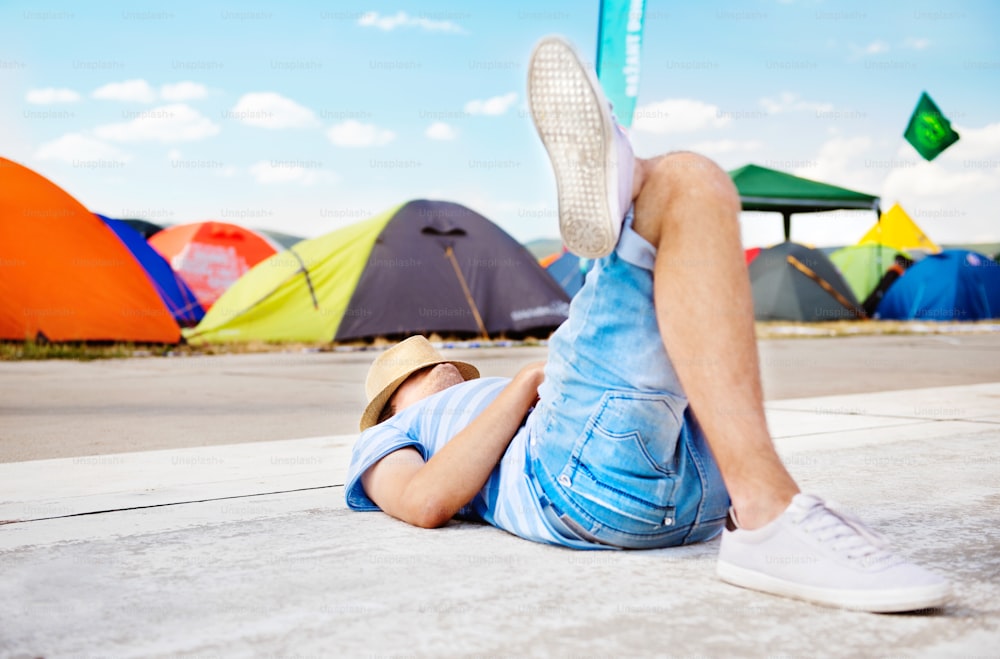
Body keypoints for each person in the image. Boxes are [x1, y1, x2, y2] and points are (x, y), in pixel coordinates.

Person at [345, 36, 950, 612]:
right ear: (393, 402)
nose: (438, 358)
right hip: (576, 482)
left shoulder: (469, 406)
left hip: (692, 493)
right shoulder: (383, 441)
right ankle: (628, 190)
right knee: (682, 183)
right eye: (419, 365)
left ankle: (628, 196)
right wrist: (526, 385)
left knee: (699, 183)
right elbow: (424, 502)